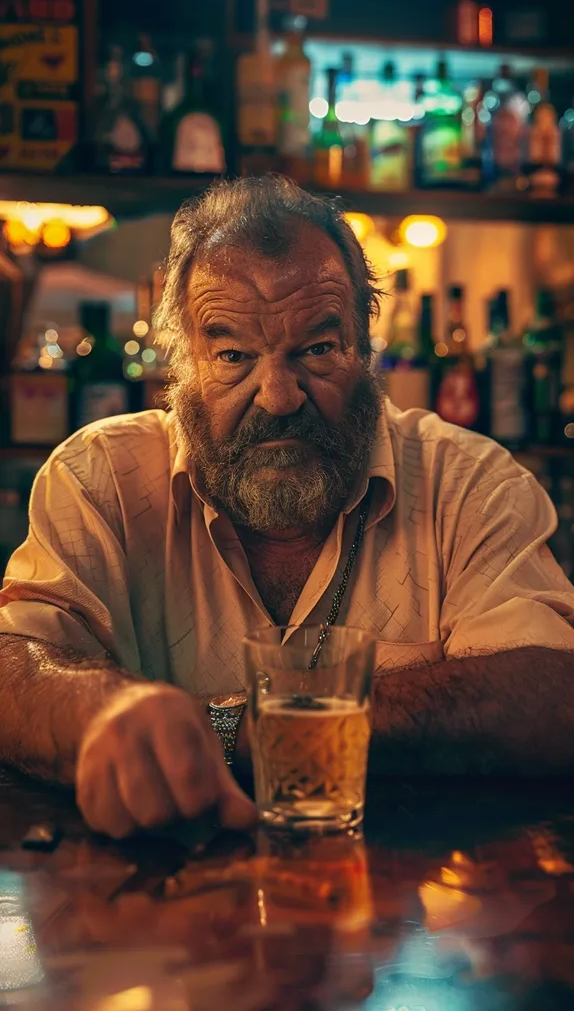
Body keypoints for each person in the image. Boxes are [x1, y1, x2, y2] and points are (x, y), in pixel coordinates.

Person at [1, 177, 573, 839]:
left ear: (364, 348)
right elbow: (15, 666)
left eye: (318, 350)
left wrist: (231, 726)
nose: (278, 396)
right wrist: (100, 710)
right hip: (165, 918)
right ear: (183, 366)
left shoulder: (471, 482)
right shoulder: (99, 478)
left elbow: (549, 692)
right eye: (235, 356)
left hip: (414, 916)